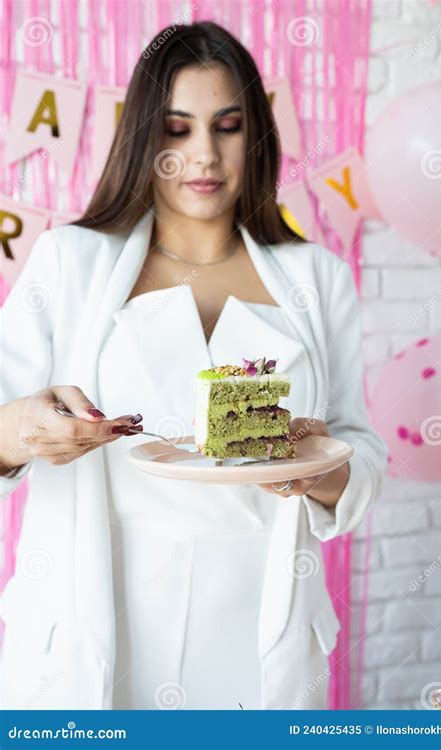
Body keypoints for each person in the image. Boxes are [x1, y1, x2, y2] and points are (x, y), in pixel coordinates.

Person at [0, 21, 388, 710]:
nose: (203, 155)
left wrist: (320, 468)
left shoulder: (319, 277)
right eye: (176, 129)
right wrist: (25, 430)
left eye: (228, 125)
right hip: (96, 622)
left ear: (256, 136)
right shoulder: (69, 261)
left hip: (257, 626)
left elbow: (359, 449)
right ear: (143, 137)